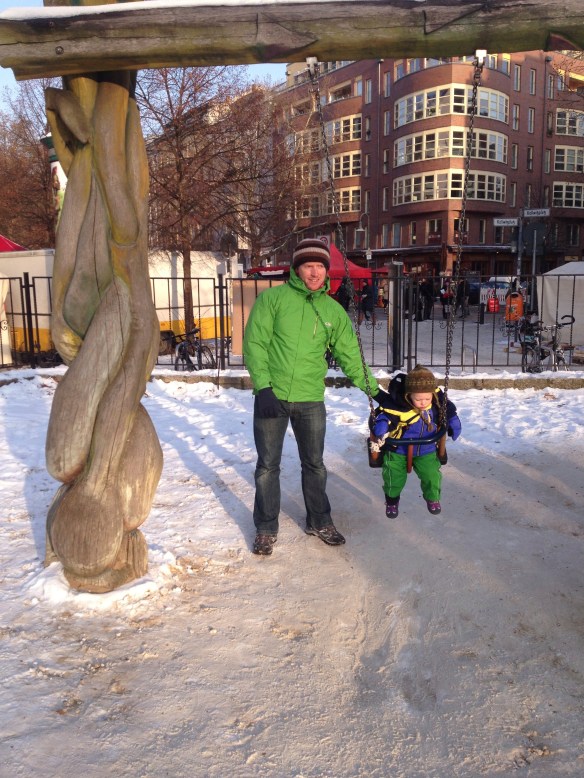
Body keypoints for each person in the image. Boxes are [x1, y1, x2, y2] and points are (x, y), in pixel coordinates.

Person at [243, 237, 390, 556]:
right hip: (273, 397)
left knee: (315, 464)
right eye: (308, 266)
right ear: (297, 269)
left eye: (320, 267)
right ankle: (266, 527)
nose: (314, 273)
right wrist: (263, 387)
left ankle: (319, 520)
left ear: (327, 271)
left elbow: (351, 356)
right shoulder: (273, 300)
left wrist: (378, 392)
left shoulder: (332, 311)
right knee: (268, 466)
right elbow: (255, 344)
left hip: (310, 398)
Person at [371, 364, 461, 518]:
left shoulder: (436, 405)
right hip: (397, 450)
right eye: (418, 399)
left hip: (426, 449)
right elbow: (384, 417)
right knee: (393, 476)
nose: (423, 402)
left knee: (431, 475)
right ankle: (392, 501)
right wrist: (381, 427)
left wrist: (453, 421)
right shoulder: (398, 407)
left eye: (427, 398)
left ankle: (432, 498)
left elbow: (449, 412)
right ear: (408, 395)